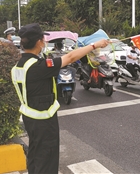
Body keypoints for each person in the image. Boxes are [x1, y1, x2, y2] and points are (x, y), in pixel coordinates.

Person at [10, 23, 109, 173]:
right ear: (38, 42)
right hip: (44, 121)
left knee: (35, 154)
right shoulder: (38, 67)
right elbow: (70, 57)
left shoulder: (19, 65)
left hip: (29, 118)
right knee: (47, 159)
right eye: (43, 39)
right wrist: (95, 45)